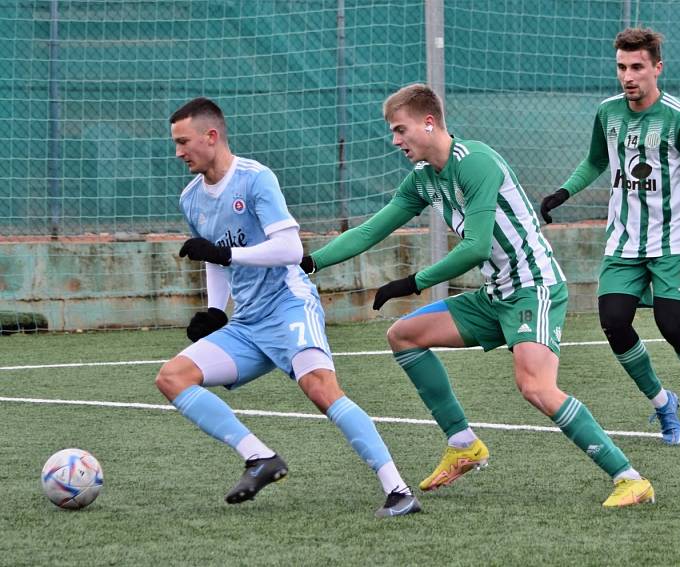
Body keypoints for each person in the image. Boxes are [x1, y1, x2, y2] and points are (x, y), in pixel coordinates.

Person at [301, 84, 654, 507]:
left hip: (533, 288)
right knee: (403, 335)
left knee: (535, 386)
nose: (395, 140)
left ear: (428, 123)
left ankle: (630, 478)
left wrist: (412, 282)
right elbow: (369, 230)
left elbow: (476, 247)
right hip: (495, 294)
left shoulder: (477, 163)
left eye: (400, 130)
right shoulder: (423, 179)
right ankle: (464, 444)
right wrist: (309, 264)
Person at [155, 97, 420, 518]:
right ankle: (259, 458)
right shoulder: (191, 199)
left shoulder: (255, 179)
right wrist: (215, 310)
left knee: (319, 388)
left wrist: (226, 255)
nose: (178, 152)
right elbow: (213, 257)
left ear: (211, 136)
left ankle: (398, 490)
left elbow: (288, 248)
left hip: (288, 305)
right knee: (173, 377)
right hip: (248, 322)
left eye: (183, 141)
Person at [540, 28, 680, 445]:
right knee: (613, 321)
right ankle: (663, 403)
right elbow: (594, 161)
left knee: (673, 326)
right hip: (623, 242)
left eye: (638, 67)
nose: (628, 76)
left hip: (674, 243)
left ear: (657, 68)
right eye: (622, 67)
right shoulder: (607, 113)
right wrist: (563, 192)